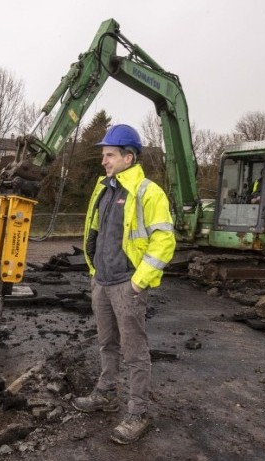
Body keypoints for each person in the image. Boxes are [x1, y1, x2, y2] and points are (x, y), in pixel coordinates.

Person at [73, 124, 176, 445]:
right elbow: (95, 234)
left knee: (134, 352)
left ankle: (139, 412)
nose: (103, 160)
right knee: (107, 344)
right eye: (103, 155)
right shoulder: (105, 189)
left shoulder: (148, 192)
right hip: (102, 282)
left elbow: (164, 241)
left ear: (128, 157)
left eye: (110, 155)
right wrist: (94, 272)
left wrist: (138, 281)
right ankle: (106, 394)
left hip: (126, 285)